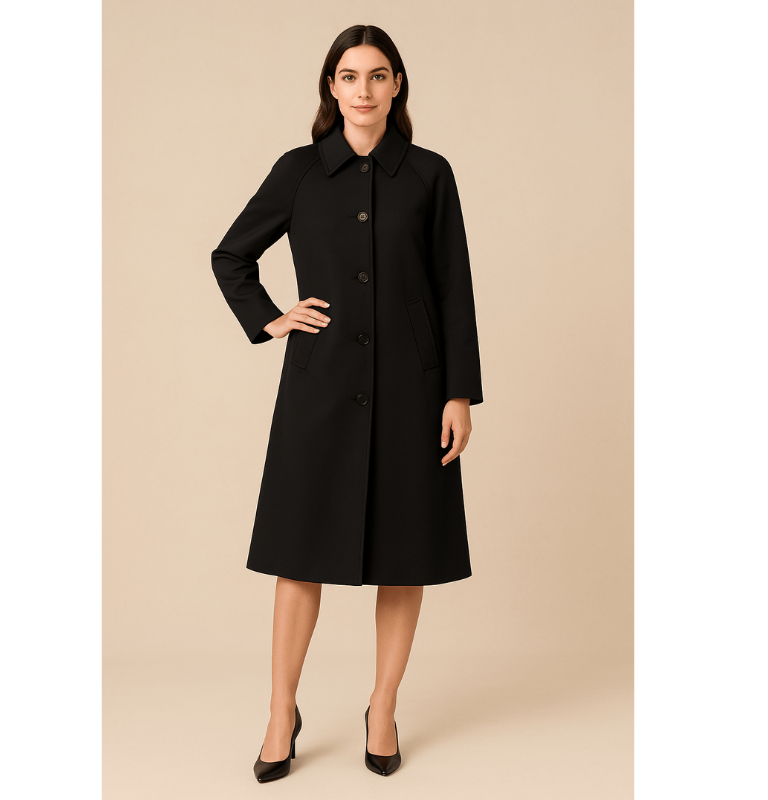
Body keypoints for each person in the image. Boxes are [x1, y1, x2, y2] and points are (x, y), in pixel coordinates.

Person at [211, 24, 483, 782]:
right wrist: (272, 318)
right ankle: (280, 712)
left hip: (413, 391)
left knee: (406, 553)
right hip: (321, 386)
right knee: (298, 555)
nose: (364, 89)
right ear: (331, 87)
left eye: (378, 75)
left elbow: (453, 288)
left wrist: (459, 391)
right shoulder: (299, 171)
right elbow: (231, 255)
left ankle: (383, 706)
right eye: (349, 75)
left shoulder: (428, 174)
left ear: (397, 86)